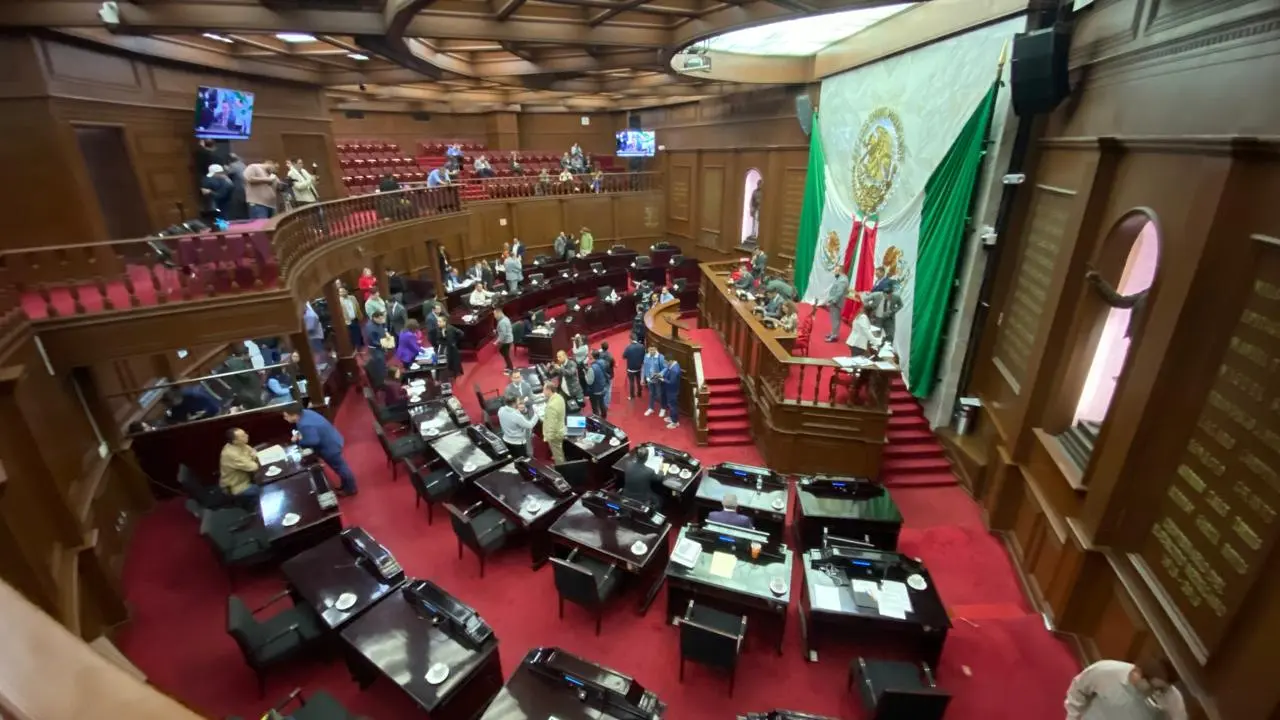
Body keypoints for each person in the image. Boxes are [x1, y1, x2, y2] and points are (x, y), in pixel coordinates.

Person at [1065, 657, 1186, 720]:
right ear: (1137, 673)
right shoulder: (1107, 670)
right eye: (1154, 688)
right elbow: (1078, 690)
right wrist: (1072, 717)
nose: (1156, 693)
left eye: (1161, 690)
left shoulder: (1171, 696)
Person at [283, 404, 358, 496]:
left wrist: (298, 441)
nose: (284, 418)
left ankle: (351, 489)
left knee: (341, 468)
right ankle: (346, 485)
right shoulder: (306, 413)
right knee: (339, 467)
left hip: (329, 447)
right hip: (332, 439)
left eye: (286, 416)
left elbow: (313, 441)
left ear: (294, 415)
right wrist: (300, 434)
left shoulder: (304, 424)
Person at [218, 428, 261, 501]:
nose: (247, 436)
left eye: (245, 434)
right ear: (235, 441)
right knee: (265, 490)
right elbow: (253, 467)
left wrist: (251, 458)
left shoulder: (240, 444)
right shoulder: (231, 454)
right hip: (238, 487)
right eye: (243, 436)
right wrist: (252, 457)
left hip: (247, 478)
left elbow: (253, 451)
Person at [541, 376, 567, 465]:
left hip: (555, 434)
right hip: (561, 428)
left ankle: (561, 469)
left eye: (544, 390)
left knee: (557, 454)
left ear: (549, 390)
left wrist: (549, 438)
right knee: (559, 450)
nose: (543, 392)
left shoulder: (551, 406)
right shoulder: (559, 397)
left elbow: (551, 424)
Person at [825, 269, 849, 342]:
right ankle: (833, 333)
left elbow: (839, 292)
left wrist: (833, 301)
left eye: (835, 271)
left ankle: (834, 336)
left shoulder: (843, 280)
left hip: (836, 303)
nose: (834, 273)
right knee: (834, 319)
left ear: (839, 271)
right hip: (835, 302)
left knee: (835, 320)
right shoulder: (840, 278)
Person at [642, 346, 665, 416]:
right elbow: (644, 367)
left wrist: (659, 374)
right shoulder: (646, 356)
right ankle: (650, 408)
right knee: (651, 394)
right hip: (649, 379)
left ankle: (663, 408)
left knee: (659, 395)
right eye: (650, 350)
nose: (651, 351)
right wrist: (642, 378)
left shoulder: (660, 357)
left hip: (658, 380)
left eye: (653, 350)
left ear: (656, 349)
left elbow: (665, 369)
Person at [586, 349, 608, 419]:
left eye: (590, 354)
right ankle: (604, 416)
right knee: (602, 403)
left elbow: (589, 381)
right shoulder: (603, 362)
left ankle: (597, 420)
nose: (588, 355)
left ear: (592, 357)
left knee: (595, 407)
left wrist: (585, 375)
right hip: (603, 387)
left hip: (595, 391)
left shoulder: (592, 368)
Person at [622, 335, 645, 400]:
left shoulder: (628, 347)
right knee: (638, 380)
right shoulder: (642, 346)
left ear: (631, 339)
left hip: (631, 368)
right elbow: (644, 355)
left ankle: (632, 396)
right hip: (639, 367)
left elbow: (624, 356)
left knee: (631, 382)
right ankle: (639, 393)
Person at [338, 285, 361, 350]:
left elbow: (357, 306)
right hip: (347, 321)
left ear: (347, 291)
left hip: (355, 318)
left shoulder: (352, 297)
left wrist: (359, 316)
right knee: (351, 336)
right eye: (340, 292)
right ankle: (353, 348)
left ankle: (359, 346)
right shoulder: (338, 301)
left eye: (343, 291)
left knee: (357, 333)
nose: (341, 293)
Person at [662, 358, 682, 429]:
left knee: (672, 406)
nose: (665, 363)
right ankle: (671, 417)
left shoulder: (674, 370)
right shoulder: (673, 365)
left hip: (673, 391)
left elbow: (671, 382)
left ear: (670, 361)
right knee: (671, 405)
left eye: (666, 362)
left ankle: (675, 422)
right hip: (671, 390)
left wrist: (663, 379)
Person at [495, 307, 514, 375]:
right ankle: (509, 366)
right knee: (504, 353)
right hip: (509, 339)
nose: (495, 316)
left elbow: (503, 334)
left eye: (495, 314)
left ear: (499, 313)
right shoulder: (505, 318)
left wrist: (497, 342)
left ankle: (511, 369)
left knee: (506, 355)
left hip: (506, 341)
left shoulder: (502, 322)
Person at [598, 340, 615, 409]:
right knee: (608, 390)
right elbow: (612, 365)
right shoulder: (610, 355)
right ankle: (606, 405)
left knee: (602, 389)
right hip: (609, 375)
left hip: (601, 375)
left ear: (601, 347)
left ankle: (602, 404)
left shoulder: (599, 355)